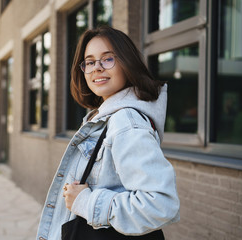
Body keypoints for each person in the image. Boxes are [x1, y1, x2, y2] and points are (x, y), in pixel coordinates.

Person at [36, 26, 180, 240]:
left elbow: (160, 204)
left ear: (127, 63)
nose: (97, 68)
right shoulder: (105, 117)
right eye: (90, 62)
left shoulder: (125, 121)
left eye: (108, 59)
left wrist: (85, 202)